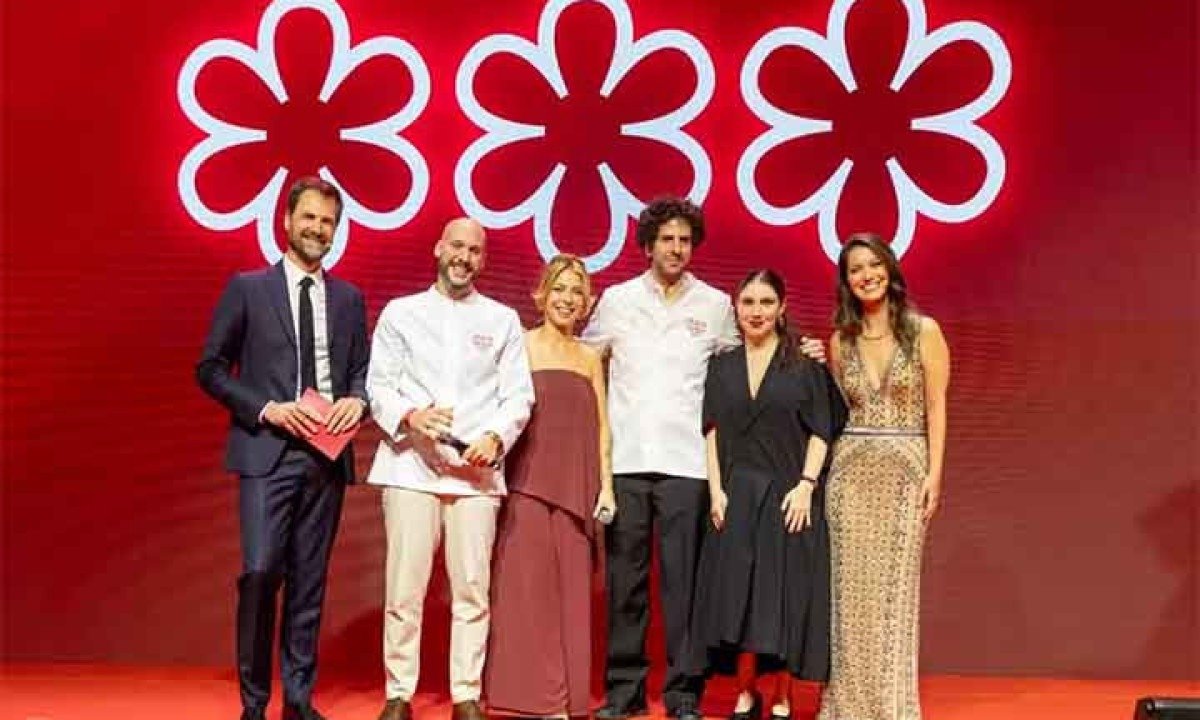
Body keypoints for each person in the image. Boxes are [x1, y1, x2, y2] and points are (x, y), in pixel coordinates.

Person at [196, 176, 370, 720]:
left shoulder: (349, 299)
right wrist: (266, 408)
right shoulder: (248, 288)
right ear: (288, 221)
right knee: (260, 572)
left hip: (327, 458)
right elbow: (210, 369)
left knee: (309, 581)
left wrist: (358, 401)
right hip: (266, 450)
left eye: (328, 222)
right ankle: (254, 704)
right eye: (310, 217)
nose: (318, 229)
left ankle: (297, 699)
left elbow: (361, 372)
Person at [366, 218, 535, 720]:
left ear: (483, 260)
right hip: (410, 469)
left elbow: (518, 396)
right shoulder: (402, 313)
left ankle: (465, 694)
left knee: (472, 591)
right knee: (404, 589)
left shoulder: (502, 320)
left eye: (474, 250)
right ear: (439, 249)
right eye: (456, 246)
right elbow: (379, 386)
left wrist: (496, 437)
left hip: (474, 478)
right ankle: (399, 693)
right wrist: (410, 416)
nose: (464, 257)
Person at [582, 196, 737, 720]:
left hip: (687, 465)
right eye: (667, 239)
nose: (676, 248)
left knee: (683, 587)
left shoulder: (714, 305)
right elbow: (585, 362)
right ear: (648, 245)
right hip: (626, 462)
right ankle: (623, 693)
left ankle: (683, 694)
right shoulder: (617, 300)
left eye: (684, 240)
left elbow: (740, 370)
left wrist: (799, 351)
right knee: (625, 586)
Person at [685, 269, 846, 720]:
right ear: (736, 308)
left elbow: (821, 430)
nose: (757, 312)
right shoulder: (721, 366)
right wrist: (716, 491)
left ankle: (782, 697)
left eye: (766, 302)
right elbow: (712, 431)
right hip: (736, 497)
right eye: (748, 302)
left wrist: (806, 486)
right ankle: (745, 692)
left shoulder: (804, 365)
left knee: (784, 597)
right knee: (740, 596)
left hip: (788, 496)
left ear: (782, 308)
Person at [817, 233, 950, 720]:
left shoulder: (923, 331)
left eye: (873, 265)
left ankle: (892, 707)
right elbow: (836, 411)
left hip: (905, 473)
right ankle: (846, 706)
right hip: (849, 476)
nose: (866, 275)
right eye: (855, 269)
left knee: (895, 594)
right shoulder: (840, 340)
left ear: (889, 269)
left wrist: (935, 475)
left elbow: (936, 405)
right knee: (849, 598)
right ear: (846, 281)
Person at [485, 254, 616, 719]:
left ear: (587, 303)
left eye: (576, 291)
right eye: (559, 288)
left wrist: (606, 487)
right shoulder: (519, 345)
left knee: (572, 596)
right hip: (527, 483)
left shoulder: (590, 357)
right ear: (541, 295)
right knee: (528, 592)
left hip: (578, 488)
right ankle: (535, 699)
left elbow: (602, 426)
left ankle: (566, 698)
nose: (567, 299)